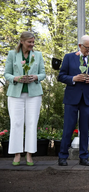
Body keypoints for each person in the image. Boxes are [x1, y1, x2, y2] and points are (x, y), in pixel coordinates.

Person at [58, 35, 89, 166]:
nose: (88, 50)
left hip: (87, 100)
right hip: (71, 98)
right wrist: (73, 79)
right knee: (68, 128)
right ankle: (62, 156)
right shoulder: (69, 57)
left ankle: (84, 157)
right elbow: (61, 76)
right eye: (86, 48)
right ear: (79, 46)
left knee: (85, 129)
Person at [4, 31, 46, 166]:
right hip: (15, 94)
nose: (32, 45)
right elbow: (6, 74)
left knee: (32, 123)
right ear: (22, 41)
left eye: (33, 42)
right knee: (16, 123)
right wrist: (16, 78)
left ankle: (29, 154)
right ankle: (17, 154)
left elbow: (43, 73)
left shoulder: (38, 55)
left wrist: (36, 77)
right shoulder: (12, 54)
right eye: (29, 42)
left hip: (34, 94)